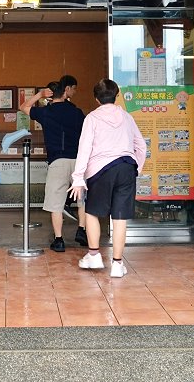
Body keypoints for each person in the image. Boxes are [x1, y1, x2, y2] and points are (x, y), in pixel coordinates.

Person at [68, 79, 147, 278]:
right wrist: (135, 167)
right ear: (117, 95)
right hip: (126, 167)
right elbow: (141, 145)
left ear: (96, 99)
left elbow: (84, 148)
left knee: (93, 212)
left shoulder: (92, 118)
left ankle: (94, 255)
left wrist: (78, 178)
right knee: (120, 217)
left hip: (100, 170)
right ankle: (118, 264)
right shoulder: (127, 117)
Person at [20, 74, 87, 252]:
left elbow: (23, 107)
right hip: (78, 160)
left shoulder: (46, 112)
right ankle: (82, 230)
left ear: (50, 95)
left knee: (56, 202)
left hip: (57, 161)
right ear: (65, 93)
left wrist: (39, 95)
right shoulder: (77, 112)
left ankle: (59, 240)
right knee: (82, 200)